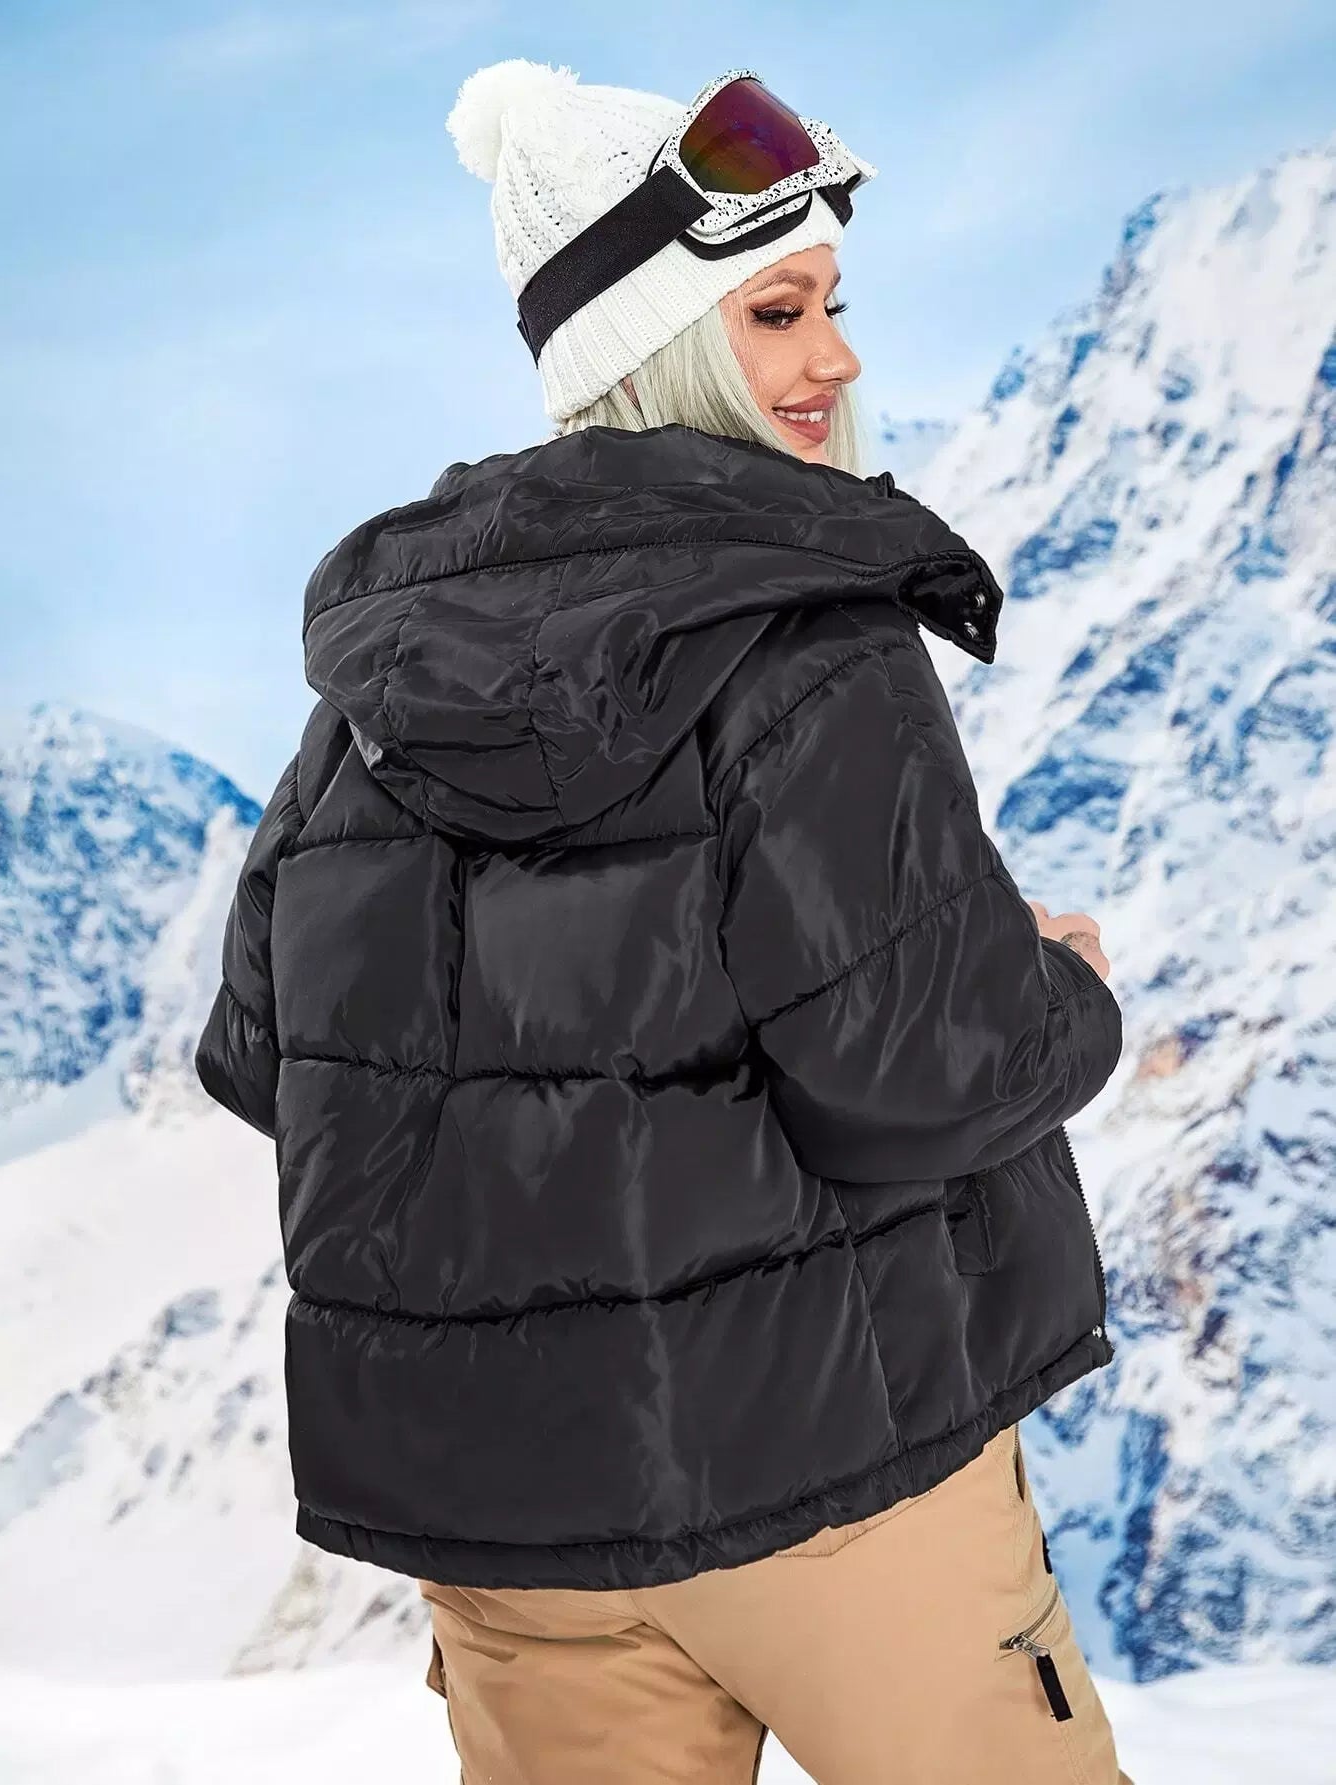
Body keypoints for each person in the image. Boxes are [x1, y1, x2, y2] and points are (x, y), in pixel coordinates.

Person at [194, 57, 1135, 1785]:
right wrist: (1056, 988)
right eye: (778, 313)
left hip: (510, 1522)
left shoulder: (375, 696)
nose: (835, 359)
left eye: (834, 306)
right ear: (655, 343)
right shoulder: (813, 642)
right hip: (839, 1481)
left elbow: (273, 1061)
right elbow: (917, 1070)